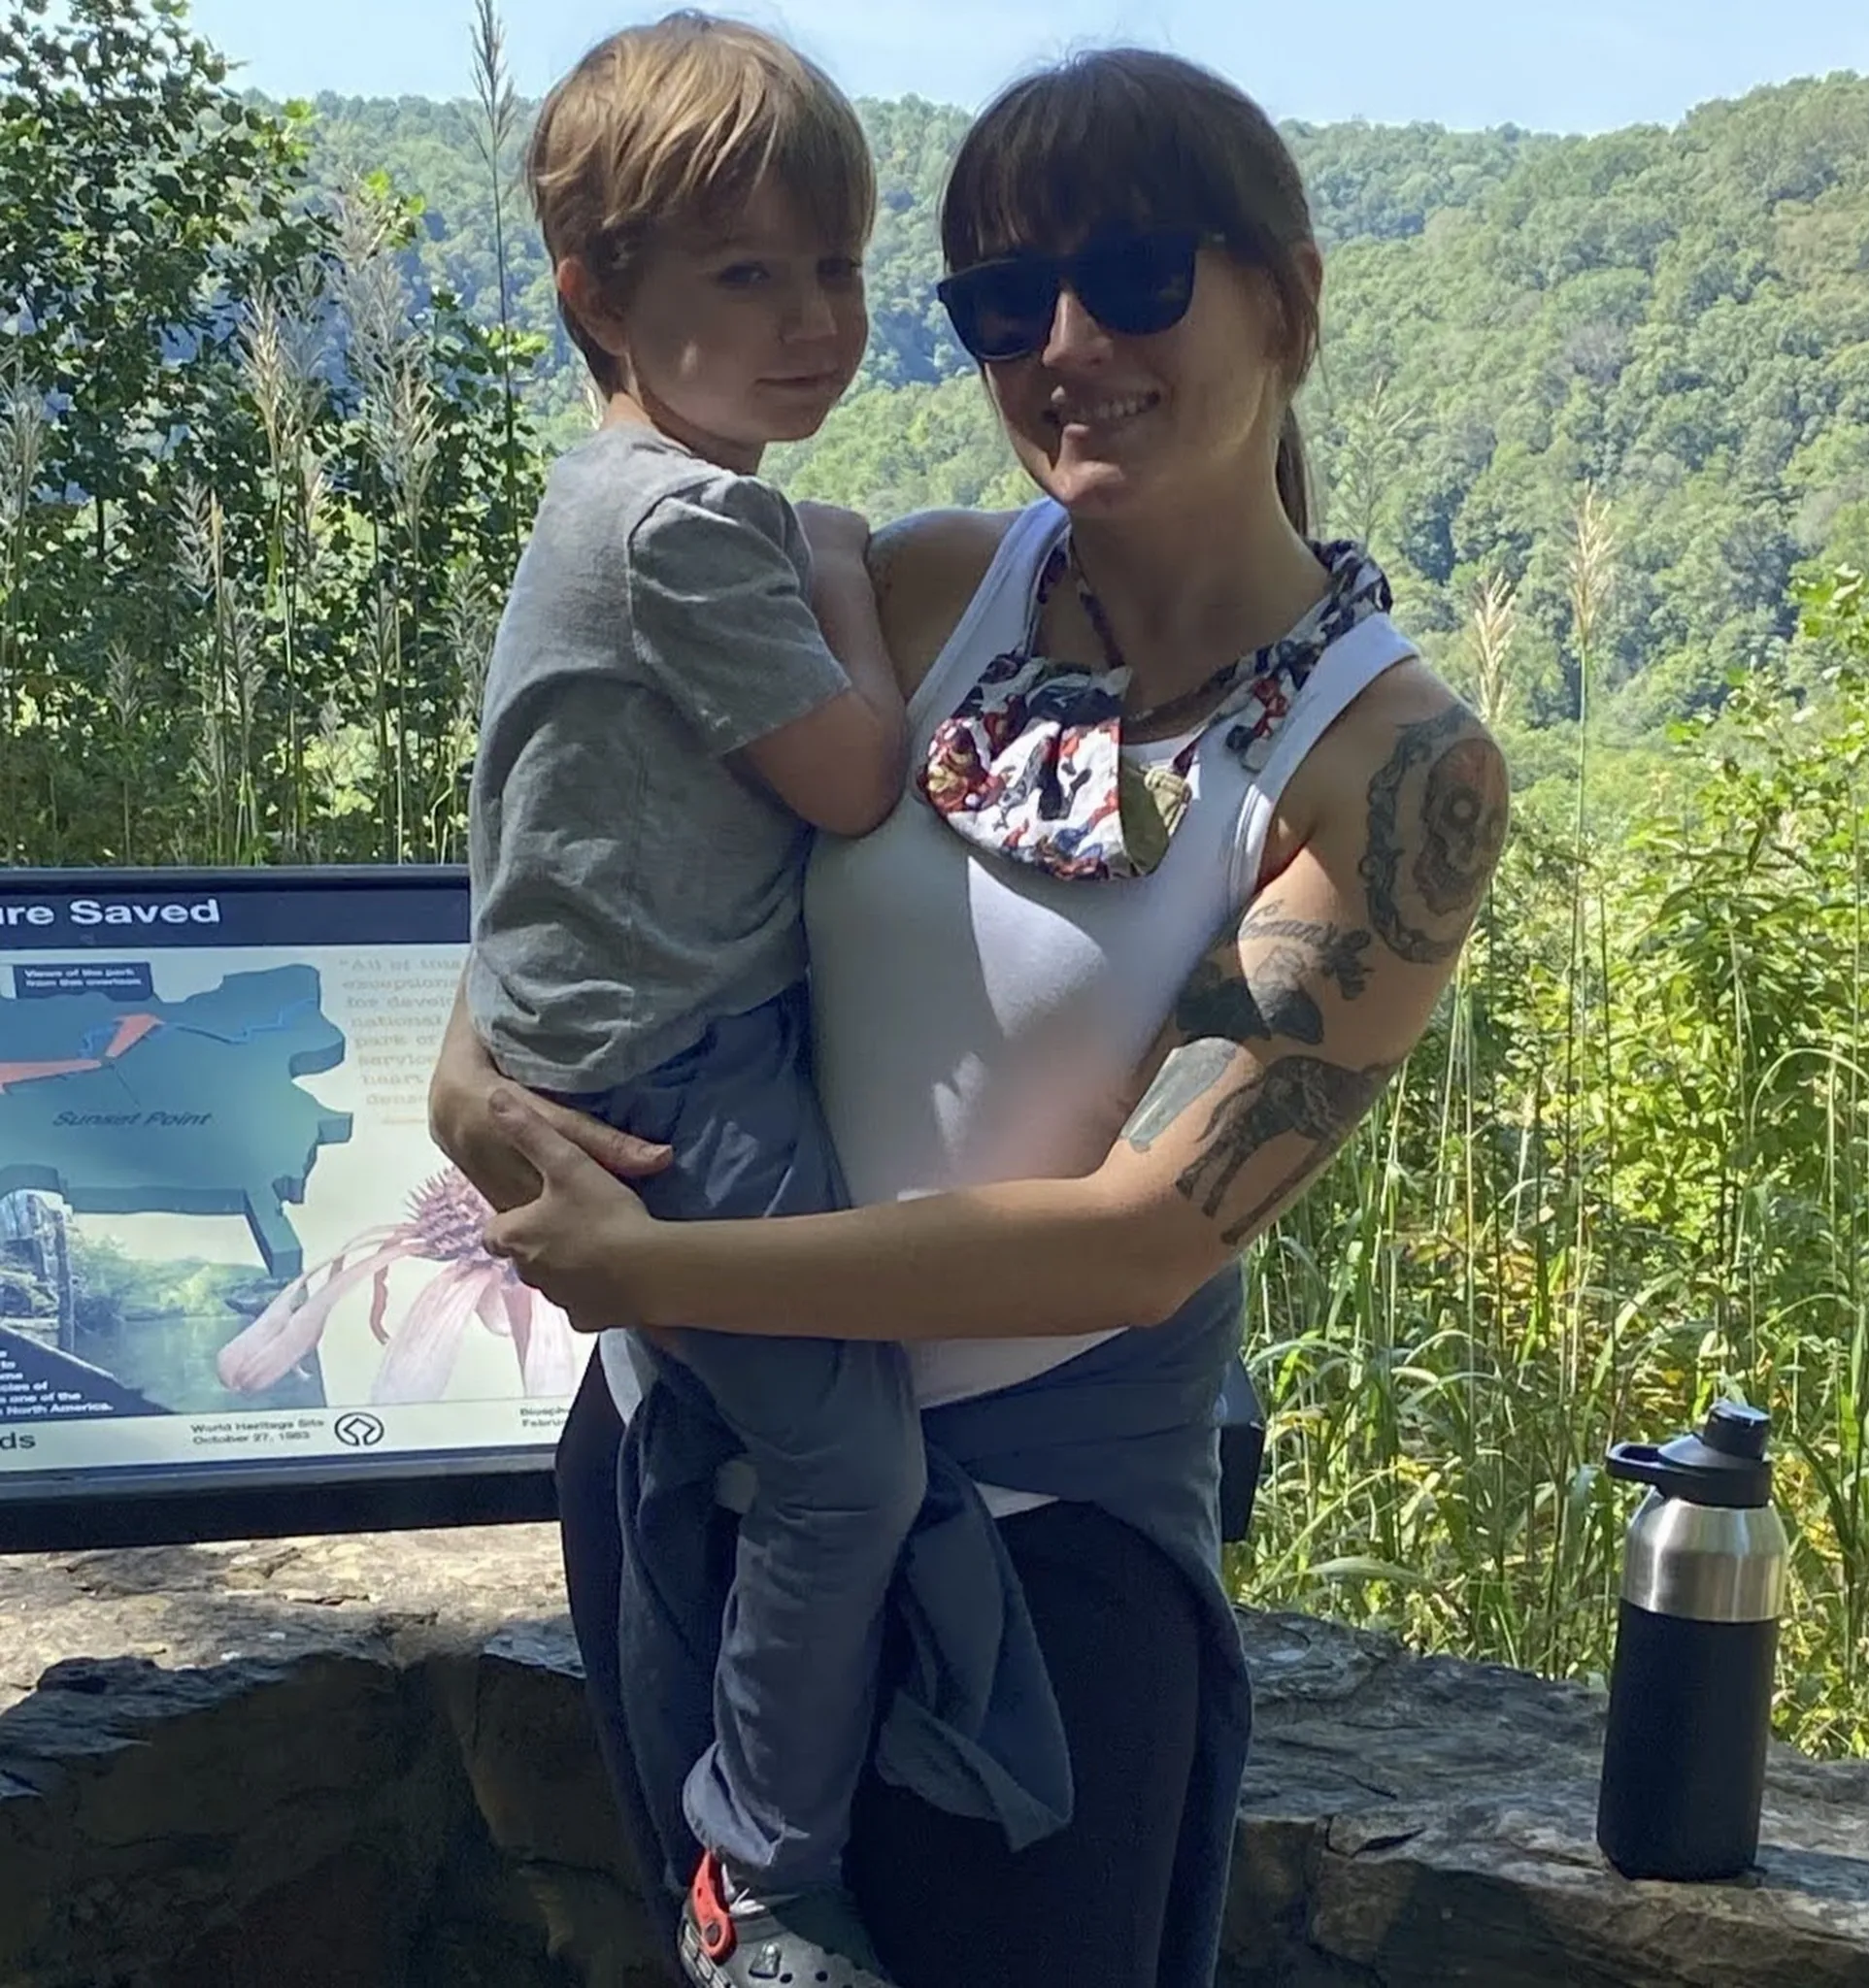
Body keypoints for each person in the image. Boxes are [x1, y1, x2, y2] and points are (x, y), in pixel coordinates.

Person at [432, 45, 1510, 1988]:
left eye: (1135, 276)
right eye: (1007, 301)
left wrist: (654, 1261)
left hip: (1035, 1566)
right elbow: (605, 832)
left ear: (1287, 296)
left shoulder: (1395, 771)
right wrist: (469, 1070)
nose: (1068, 344)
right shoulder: (924, 590)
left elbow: (1141, 1237)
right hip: (686, 1461)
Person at [467, 17, 921, 1985]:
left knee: (740, 1428)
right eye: (746, 275)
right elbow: (855, 777)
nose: (814, 320)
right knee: (850, 1465)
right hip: (680, 1070)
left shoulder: (601, 492)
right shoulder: (695, 526)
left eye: (836, 266)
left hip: (595, 1034)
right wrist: (845, 576)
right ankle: (759, 1872)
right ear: (598, 292)